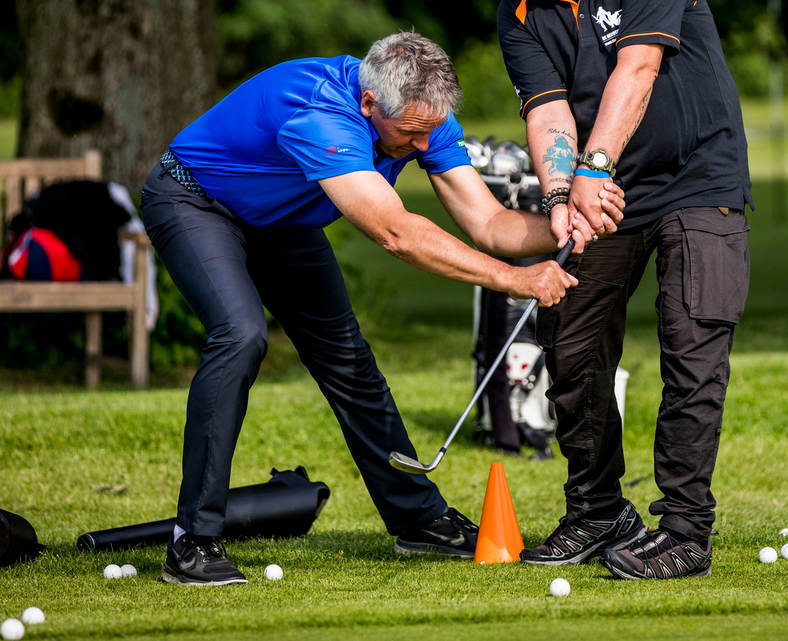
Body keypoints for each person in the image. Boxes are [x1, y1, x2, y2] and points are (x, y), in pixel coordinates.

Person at [140, 31, 624, 585]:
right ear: (370, 103)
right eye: (410, 134)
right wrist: (515, 279)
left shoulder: (423, 116)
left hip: (282, 223)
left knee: (349, 361)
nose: (423, 145)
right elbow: (396, 233)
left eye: (430, 131)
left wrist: (568, 221)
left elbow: (490, 223)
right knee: (241, 334)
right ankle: (193, 539)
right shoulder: (321, 113)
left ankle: (418, 520)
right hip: (196, 200)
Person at [497, 0, 753, 579]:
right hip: (602, 188)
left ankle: (685, 529)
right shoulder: (520, 11)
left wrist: (595, 165)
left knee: (691, 341)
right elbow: (548, 112)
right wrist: (560, 196)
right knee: (570, 337)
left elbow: (637, 69)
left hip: (698, 174)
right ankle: (597, 509)